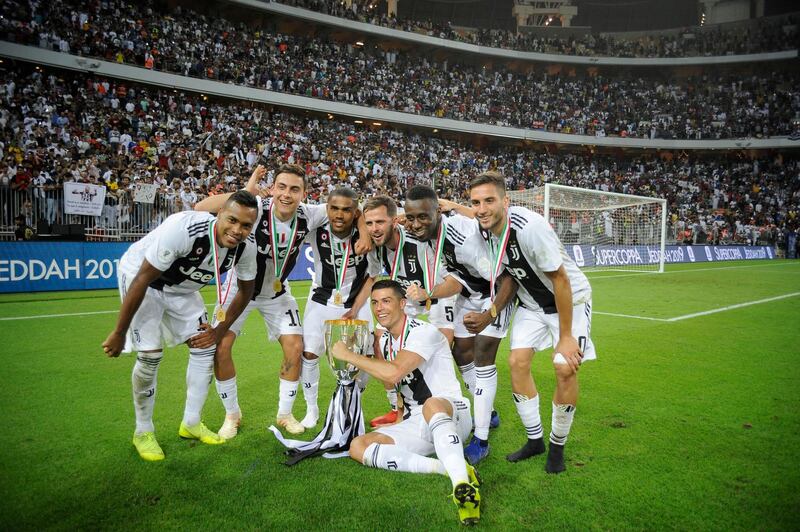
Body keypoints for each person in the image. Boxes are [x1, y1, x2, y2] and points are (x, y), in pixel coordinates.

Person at [102, 190, 259, 461]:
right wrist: (119, 332)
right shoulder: (185, 228)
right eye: (231, 220)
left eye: (246, 225)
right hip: (143, 278)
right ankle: (143, 431)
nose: (237, 230)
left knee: (204, 347)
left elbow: (246, 292)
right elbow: (142, 279)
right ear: (218, 214)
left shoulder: (246, 248)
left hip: (182, 290)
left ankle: (191, 422)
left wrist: (219, 330)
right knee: (150, 355)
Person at [468, 171, 595, 473]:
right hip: (533, 304)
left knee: (564, 366)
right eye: (475, 202)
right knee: (517, 363)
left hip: (570, 301)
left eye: (489, 200)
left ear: (506, 201)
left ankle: (557, 447)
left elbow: (561, 280)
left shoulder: (530, 228)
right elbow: (510, 272)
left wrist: (565, 338)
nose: (482, 208)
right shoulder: (485, 226)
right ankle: (535, 439)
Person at [194, 164, 330, 437]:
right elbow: (201, 207)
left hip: (276, 294)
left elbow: (351, 205)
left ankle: (285, 413)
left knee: (295, 346)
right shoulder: (255, 206)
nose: (287, 195)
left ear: (304, 193)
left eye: (294, 189)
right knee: (220, 346)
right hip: (237, 290)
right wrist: (245, 191)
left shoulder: (310, 214)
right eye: (282, 187)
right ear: (272, 188)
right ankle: (232, 415)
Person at [332, 280, 481, 526]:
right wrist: (399, 416)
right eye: (375, 302)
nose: (379, 308)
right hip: (417, 421)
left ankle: (461, 486)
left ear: (402, 304)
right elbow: (400, 386)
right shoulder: (388, 341)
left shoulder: (423, 331)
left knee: (432, 404)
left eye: (386, 301)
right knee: (359, 446)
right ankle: (445, 467)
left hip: (451, 413)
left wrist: (349, 355)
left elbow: (394, 373)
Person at [403, 186, 516, 465]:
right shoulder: (431, 237)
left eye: (423, 217)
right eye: (410, 218)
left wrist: (490, 313)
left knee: (483, 355)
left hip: (499, 292)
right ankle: (486, 411)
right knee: (461, 351)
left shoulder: (462, 235)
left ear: (437, 212)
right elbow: (457, 279)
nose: (416, 224)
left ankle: (481, 438)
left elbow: (507, 277)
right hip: (472, 293)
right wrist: (430, 294)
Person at [362, 195, 454, 427]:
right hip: (407, 300)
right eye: (369, 223)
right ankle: (397, 407)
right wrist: (354, 309)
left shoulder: (421, 242)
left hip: (438, 296)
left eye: (380, 222)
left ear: (395, 221)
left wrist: (428, 293)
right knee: (380, 342)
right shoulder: (376, 249)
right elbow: (373, 276)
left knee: (447, 349)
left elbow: (453, 282)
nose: (374, 229)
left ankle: (456, 406)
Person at [299, 186, 382, 428]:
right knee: (309, 353)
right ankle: (311, 409)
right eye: (334, 208)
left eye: (347, 210)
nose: (339, 214)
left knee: (366, 355)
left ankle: (350, 404)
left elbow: (372, 276)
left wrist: (364, 229)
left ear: (355, 212)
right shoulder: (315, 229)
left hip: (357, 300)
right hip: (321, 299)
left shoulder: (368, 236)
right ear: (326, 208)